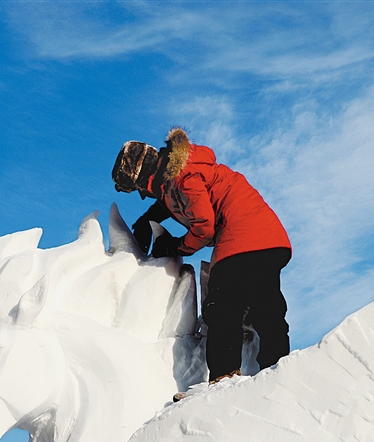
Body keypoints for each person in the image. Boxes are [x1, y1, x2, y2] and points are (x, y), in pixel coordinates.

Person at [111, 127, 292, 389]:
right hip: (267, 239)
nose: (141, 194)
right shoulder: (182, 174)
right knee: (265, 306)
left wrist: (175, 246)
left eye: (138, 188)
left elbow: (204, 227)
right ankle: (278, 371)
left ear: (143, 177)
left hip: (243, 239)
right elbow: (172, 200)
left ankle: (223, 379)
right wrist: (147, 219)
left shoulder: (183, 179)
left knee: (222, 306)